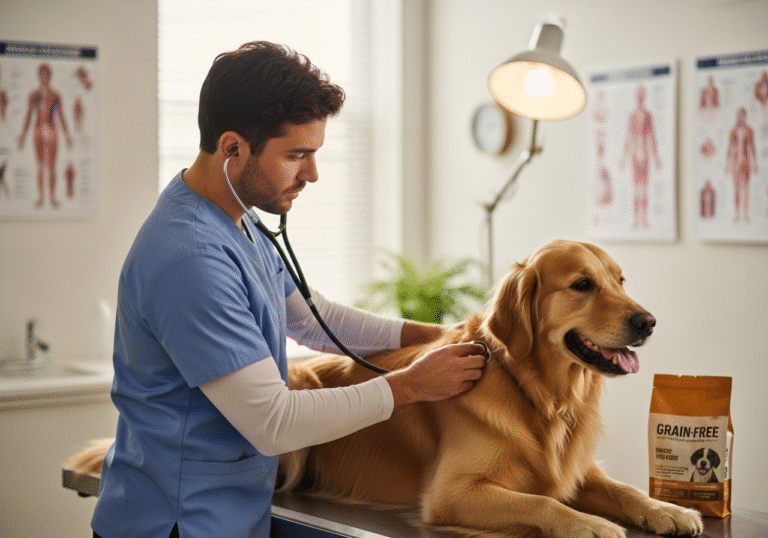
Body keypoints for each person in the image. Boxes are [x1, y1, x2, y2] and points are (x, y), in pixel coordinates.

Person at [90, 41, 487, 538]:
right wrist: (409, 385)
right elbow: (273, 422)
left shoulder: (238, 220)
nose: (312, 175)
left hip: (232, 514)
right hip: (179, 522)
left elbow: (311, 317)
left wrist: (434, 334)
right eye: (297, 155)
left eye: (315, 154)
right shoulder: (189, 258)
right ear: (232, 147)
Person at [17, 63, 72, 209]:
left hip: (52, 130)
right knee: (40, 166)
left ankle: (52, 197)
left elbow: (61, 116)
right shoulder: (33, 95)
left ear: (50, 76)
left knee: (52, 166)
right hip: (38, 129)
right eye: (42, 74)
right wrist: (22, 135)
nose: (45, 77)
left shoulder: (55, 95)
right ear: (39, 76)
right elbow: (28, 116)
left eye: (47, 75)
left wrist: (67, 135)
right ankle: (41, 197)